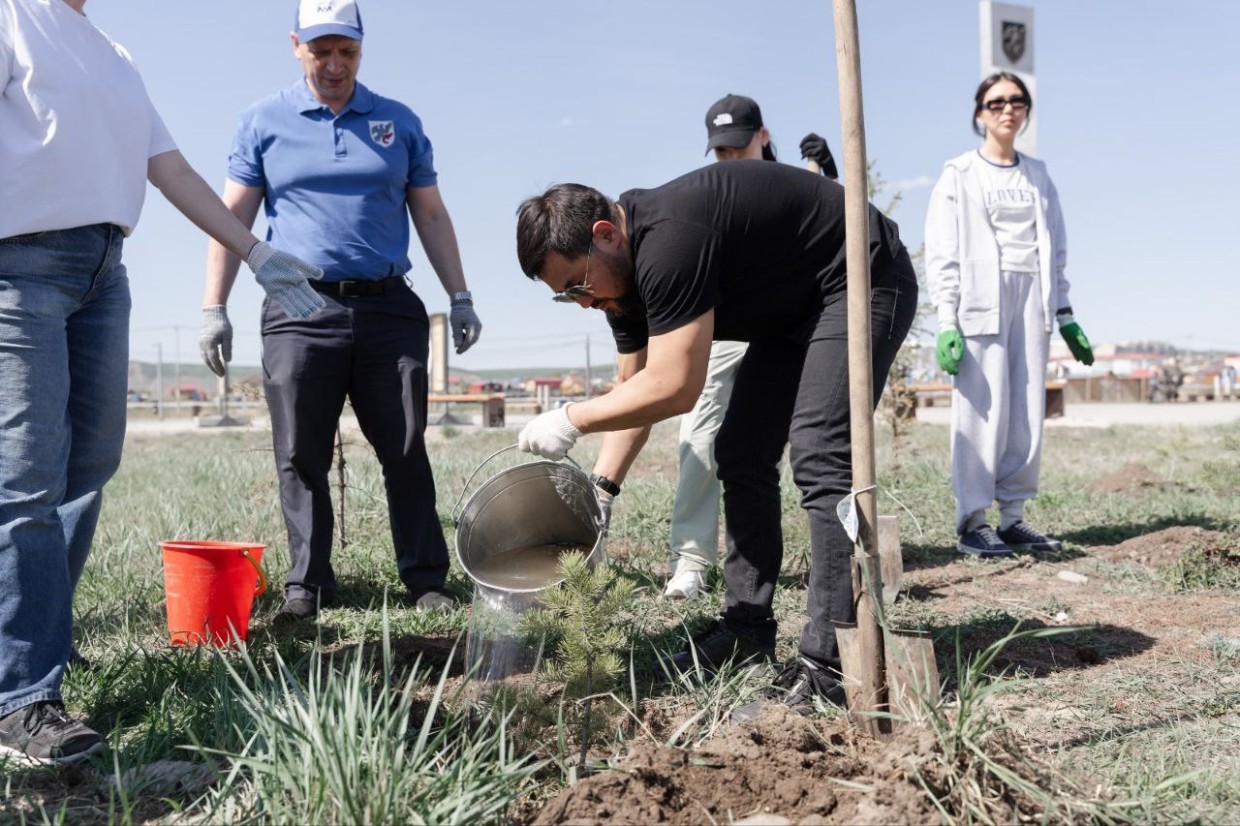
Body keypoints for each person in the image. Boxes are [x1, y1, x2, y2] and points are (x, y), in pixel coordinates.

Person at [0, 0, 324, 765]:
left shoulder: (112, 52)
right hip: (19, 269)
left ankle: (43, 642)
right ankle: (21, 694)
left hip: (103, 270)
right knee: (25, 478)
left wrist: (252, 250)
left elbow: (167, 166)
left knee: (89, 466)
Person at [512, 160, 917, 706]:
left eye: (578, 286)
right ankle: (746, 632)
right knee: (741, 449)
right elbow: (633, 396)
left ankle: (829, 662)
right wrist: (601, 491)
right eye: (567, 296)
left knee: (821, 453)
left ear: (605, 235)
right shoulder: (618, 283)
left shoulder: (669, 241)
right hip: (794, 310)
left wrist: (569, 418)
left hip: (860, 278)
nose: (583, 303)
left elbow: (676, 387)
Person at [198, 0, 482, 624]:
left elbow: (429, 214)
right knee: (300, 452)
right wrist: (213, 306)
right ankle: (308, 585)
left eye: (346, 51)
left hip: (388, 306)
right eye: (321, 50)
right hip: (299, 307)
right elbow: (230, 218)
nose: (334, 64)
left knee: (405, 446)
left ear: (361, 49)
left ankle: (425, 578)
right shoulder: (262, 122)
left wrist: (459, 294)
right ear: (296, 45)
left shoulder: (398, 121)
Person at [664, 94, 839, 600]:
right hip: (725, 328)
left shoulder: (796, 184)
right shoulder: (711, 195)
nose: (730, 160)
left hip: (790, 329)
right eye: (720, 152)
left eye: (738, 147)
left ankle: (820, 556)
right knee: (699, 438)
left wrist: (825, 173)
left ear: (762, 136)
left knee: (802, 448)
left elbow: (835, 230)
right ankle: (692, 560)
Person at [925, 71, 1093, 558]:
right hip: (981, 300)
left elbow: (1055, 249)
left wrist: (1065, 313)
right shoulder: (959, 174)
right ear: (979, 113)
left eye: (1017, 101)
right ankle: (973, 521)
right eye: (996, 102)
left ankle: (1014, 517)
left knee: (1024, 413)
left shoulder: (1038, 175)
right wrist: (947, 321)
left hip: (1032, 300)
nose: (1007, 109)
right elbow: (943, 252)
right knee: (980, 413)